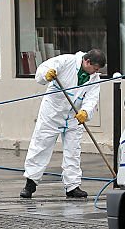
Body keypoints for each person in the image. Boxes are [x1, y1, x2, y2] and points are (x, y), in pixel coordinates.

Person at [20, 49, 105, 199]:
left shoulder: (94, 78)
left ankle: (72, 186)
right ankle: (30, 183)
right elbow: (42, 70)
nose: (96, 72)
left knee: (73, 150)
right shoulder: (66, 61)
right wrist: (46, 75)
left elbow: (92, 98)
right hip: (52, 113)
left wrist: (85, 112)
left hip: (74, 117)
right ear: (87, 62)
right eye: (95, 68)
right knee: (41, 145)